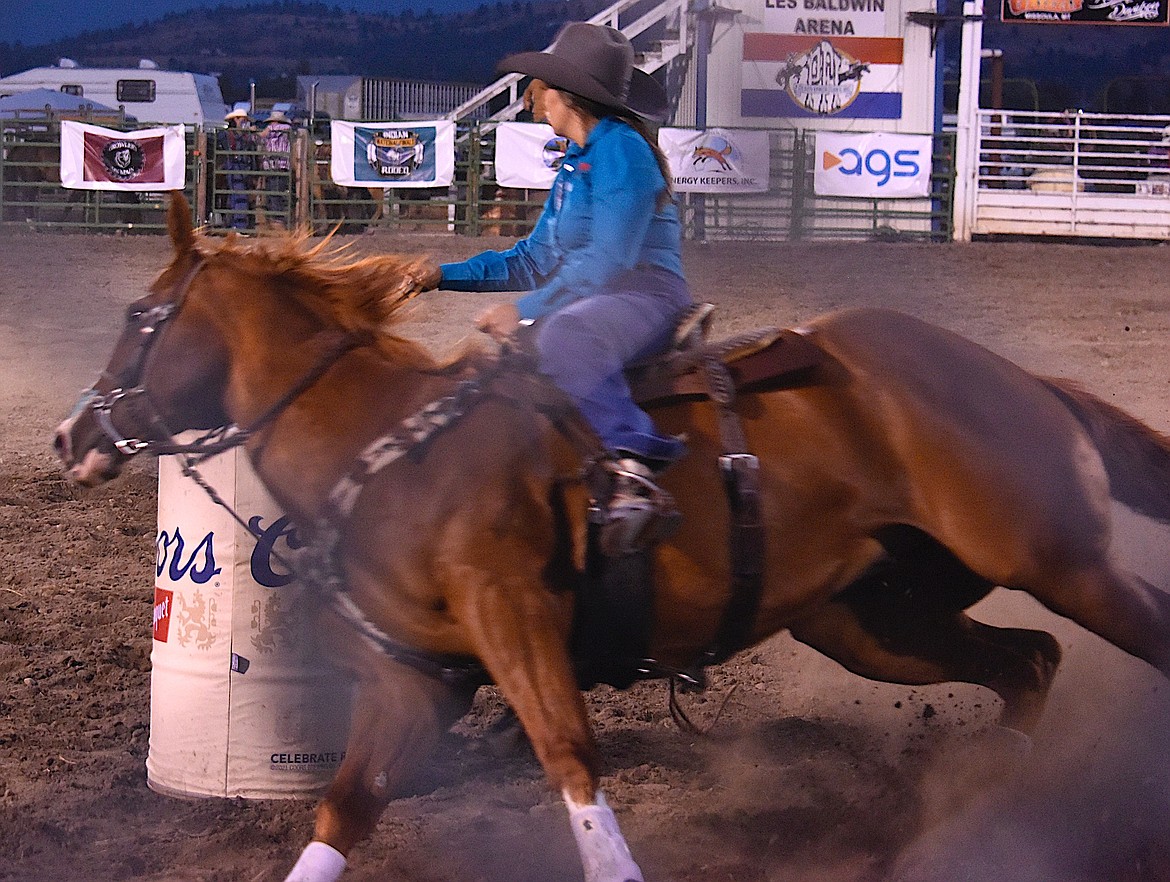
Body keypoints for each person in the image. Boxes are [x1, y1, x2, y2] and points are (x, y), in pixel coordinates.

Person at [416, 22, 692, 547]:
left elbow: (608, 260)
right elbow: (532, 258)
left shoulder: (622, 151)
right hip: (607, 295)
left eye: (541, 87)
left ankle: (636, 468)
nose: (532, 99)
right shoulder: (577, 163)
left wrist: (523, 311)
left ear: (567, 96)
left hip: (646, 295)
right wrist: (440, 277)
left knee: (564, 337)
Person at [218, 107, 255, 230]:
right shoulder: (228, 134)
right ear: (234, 119)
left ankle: (235, 224)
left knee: (237, 195)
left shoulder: (244, 135)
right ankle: (239, 226)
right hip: (235, 165)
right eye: (240, 119)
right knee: (239, 196)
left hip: (243, 165)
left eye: (243, 119)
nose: (242, 122)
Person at [259, 109, 293, 226]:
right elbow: (258, 138)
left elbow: (285, 128)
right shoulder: (271, 133)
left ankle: (278, 221)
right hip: (270, 167)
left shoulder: (284, 130)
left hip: (280, 167)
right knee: (271, 194)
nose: (271, 124)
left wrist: (269, 129)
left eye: (273, 122)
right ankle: (275, 220)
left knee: (276, 194)